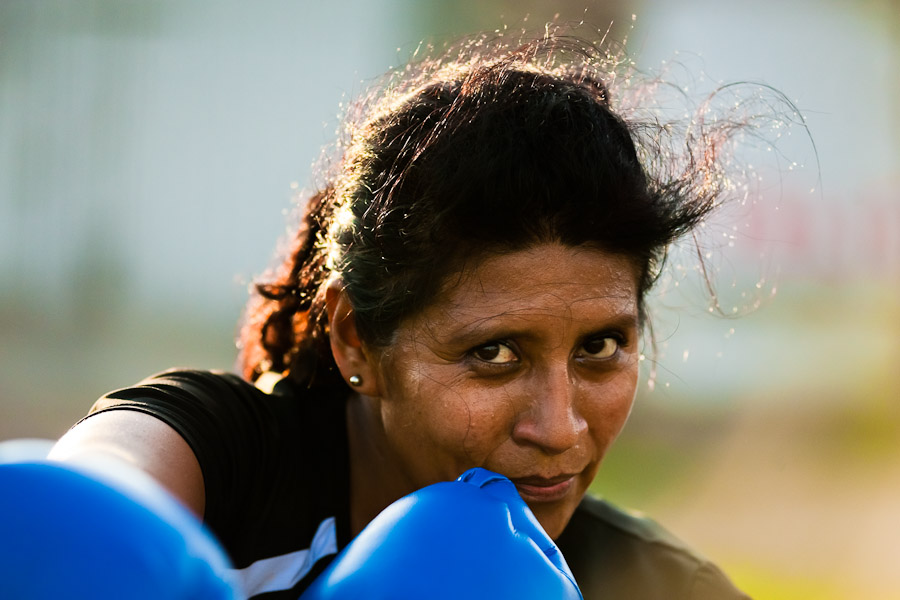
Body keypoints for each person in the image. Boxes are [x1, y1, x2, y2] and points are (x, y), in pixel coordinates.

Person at [48, 31, 753, 598]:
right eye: (494, 354)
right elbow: (71, 510)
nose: (559, 428)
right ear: (357, 341)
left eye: (600, 346)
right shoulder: (219, 459)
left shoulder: (661, 587)